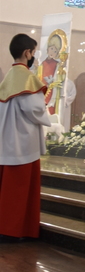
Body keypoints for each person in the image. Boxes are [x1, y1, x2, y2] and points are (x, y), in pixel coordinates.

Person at [0, 34, 51, 239]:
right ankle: (12, 231)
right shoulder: (27, 77)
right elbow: (33, 108)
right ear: (26, 53)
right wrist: (44, 110)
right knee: (18, 189)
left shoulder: (9, 77)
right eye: (33, 52)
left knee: (8, 188)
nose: (34, 56)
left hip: (8, 140)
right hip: (22, 141)